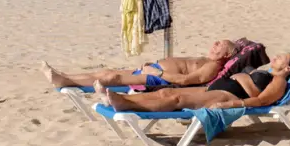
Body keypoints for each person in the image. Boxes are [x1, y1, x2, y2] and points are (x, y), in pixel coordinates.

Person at [105, 52, 290, 112]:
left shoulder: (279, 81)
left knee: (178, 99)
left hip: (230, 94)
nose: (276, 56)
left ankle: (126, 105)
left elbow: (262, 101)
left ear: (288, 69)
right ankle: (123, 100)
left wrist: (230, 104)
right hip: (218, 87)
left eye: (281, 57)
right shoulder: (268, 74)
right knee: (167, 93)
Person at [41, 40, 237, 89]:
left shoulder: (213, 67)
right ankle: (65, 77)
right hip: (153, 70)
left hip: (157, 78)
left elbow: (185, 80)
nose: (214, 44)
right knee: (108, 72)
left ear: (227, 54)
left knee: (113, 78)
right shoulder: (206, 60)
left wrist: (156, 72)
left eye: (220, 44)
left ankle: (65, 81)